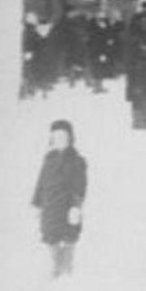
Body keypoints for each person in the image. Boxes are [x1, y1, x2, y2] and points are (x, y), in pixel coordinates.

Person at [32, 119, 87, 278]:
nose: (60, 141)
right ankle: (57, 264)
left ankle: (68, 263)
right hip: (49, 205)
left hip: (68, 206)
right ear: (52, 139)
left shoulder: (77, 161)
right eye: (56, 137)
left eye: (63, 137)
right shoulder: (48, 159)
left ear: (70, 139)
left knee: (70, 235)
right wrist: (37, 203)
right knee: (50, 236)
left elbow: (80, 185)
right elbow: (40, 182)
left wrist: (76, 206)